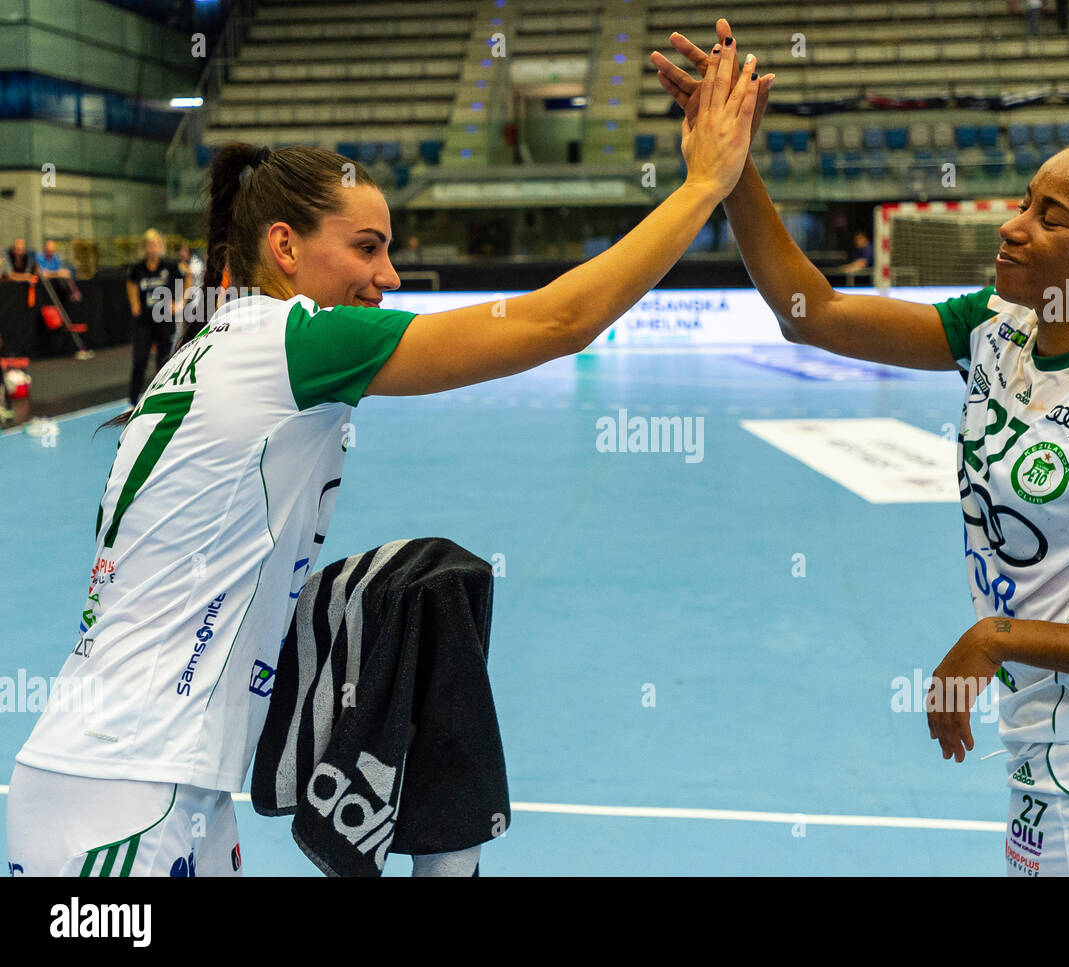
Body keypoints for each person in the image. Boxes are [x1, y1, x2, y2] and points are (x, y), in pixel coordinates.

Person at [5, 40, 760, 877]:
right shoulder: (292, 345)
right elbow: (557, 323)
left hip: (153, 786)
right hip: (124, 794)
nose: (389, 274)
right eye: (366, 247)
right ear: (286, 248)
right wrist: (703, 186)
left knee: (422, 585)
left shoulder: (218, 350)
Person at [656, 20, 1069, 878]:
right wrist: (729, 167)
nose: (1012, 227)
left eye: (1050, 218)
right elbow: (810, 313)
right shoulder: (1001, 328)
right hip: (1051, 748)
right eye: (1023, 202)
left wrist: (999, 637)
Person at [125, 229, 189, 406]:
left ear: (161, 246)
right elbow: (131, 283)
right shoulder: (138, 268)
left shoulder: (169, 266)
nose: (153, 247)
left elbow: (188, 277)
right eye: (150, 244)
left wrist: (180, 302)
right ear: (144, 247)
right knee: (140, 360)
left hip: (164, 320)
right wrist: (134, 303)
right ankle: (132, 400)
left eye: (156, 243)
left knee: (164, 360)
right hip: (143, 321)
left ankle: (160, 397)